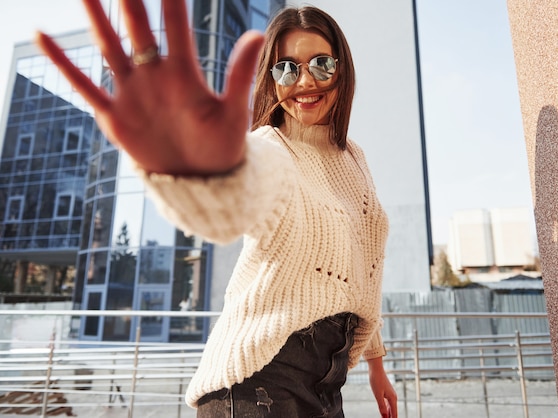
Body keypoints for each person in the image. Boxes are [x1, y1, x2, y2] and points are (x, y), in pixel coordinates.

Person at [36, 1, 397, 417]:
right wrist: (190, 168)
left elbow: (363, 273)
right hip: (256, 382)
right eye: (286, 68)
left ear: (342, 68)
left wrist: (376, 365)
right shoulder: (269, 148)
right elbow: (235, 198)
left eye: (320, 64)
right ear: (271, 78)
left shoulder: (355, 158)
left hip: (326, 385)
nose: (303, 81)